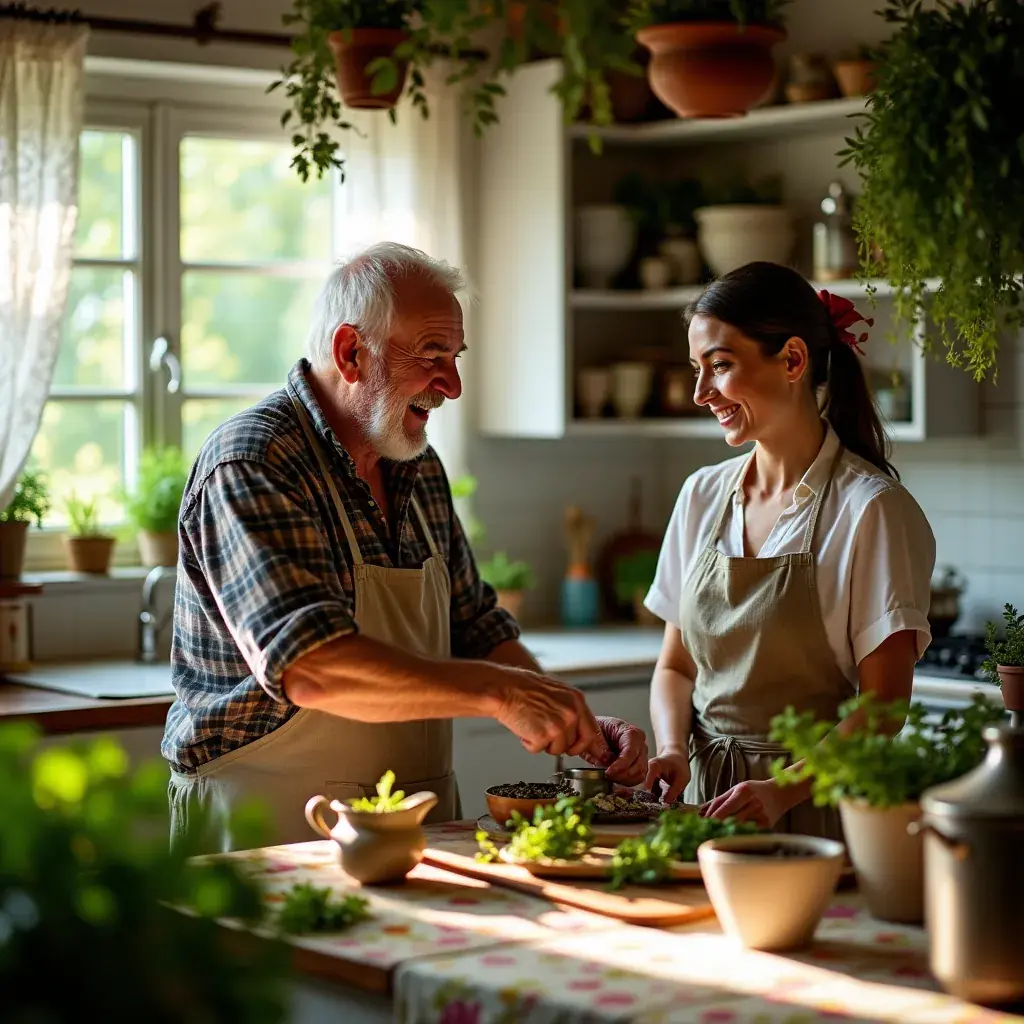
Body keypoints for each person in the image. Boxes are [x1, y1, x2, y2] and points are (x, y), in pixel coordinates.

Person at [165, 242, 648, 850]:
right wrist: (501, 694)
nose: (452, 384)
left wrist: (571, 718)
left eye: (455, 356)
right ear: (350, 353)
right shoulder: (256, 461)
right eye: (431, 355)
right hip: (271, 827)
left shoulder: (415, 465)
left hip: (412, 829)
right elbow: (312, 668)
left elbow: (474, 626)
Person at [642, 262, 935, 838]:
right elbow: (676, 665)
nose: (702, 393)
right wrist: (674, 749)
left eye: (720, 366)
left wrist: (783, 790)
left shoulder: (871, 510)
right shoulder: (701, 496)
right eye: (697, 370)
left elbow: (884, 708)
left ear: (793, 360)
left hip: (818, 809)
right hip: (706, 803)